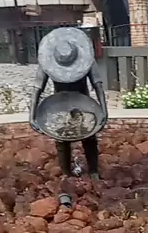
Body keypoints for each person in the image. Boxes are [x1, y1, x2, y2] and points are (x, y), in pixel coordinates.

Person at [30, 27, 107, 195]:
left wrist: (103, 111)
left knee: (90, 137)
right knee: (61, 139)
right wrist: (32, 115)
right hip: (59, 104)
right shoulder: (47, 63)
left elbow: (98, 86)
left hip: (83, 102)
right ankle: (66, 172)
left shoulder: (87, 60)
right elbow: (37, 88)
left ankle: (93, 170)